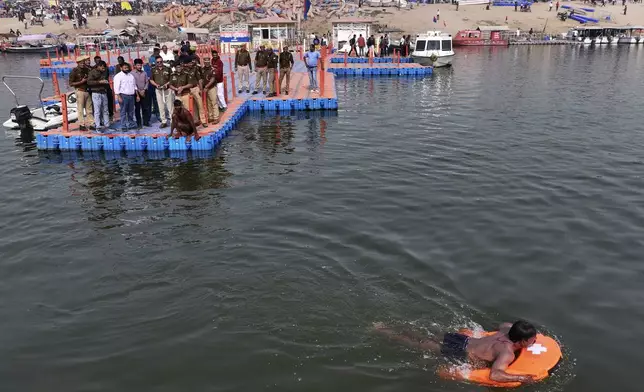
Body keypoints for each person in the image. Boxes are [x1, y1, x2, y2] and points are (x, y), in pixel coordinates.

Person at [374, 320, 538, 384]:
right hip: (458, 351)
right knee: (416, 344)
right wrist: (522, 377)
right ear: (523, 341)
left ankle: (386, 326)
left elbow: (504, 323)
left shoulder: (506, 329)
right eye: (533, 340)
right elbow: (494, 375)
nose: (534, 341)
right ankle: (382, 331)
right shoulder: (507, 353)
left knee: (422, 337)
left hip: (462, 339)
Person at [68, 55, 94, 131]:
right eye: (81, 63)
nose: (82, 64)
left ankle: (91, 123)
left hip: (87, 90)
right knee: (80, 109)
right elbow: (71, 83)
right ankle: (82, 124)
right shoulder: (74, 71)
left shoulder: (87, 70)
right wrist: (81, 82)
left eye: (83, 62)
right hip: (80, 91)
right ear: (78, 63)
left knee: (89, 109)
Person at [113, 62, 139, 131]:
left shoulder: (131, 76)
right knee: (123, 111)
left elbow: (135, 86)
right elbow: (116, 88)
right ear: (121, 68)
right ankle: (123, 125)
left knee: (131, 111)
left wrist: (137, 96)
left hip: (131, 96)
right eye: (125, 68)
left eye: (127, 68)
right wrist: (119, 97)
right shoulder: (118, 76)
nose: (126, 69)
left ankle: (131, 124)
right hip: (123, 96)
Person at [150, 55, 173, 128]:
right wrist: (156, 85)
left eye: (161, 61)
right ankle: (164, 121)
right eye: (158, 62)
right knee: (161, 106)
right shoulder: (153, 70)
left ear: (162, 61)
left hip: (167, 89)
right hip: (158, 90)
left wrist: (167, 84)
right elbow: (151, 79)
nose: (159, 63)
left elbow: (172, 78)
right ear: (156, 62)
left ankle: (173, 121)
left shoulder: (168, 69)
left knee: (170, 106)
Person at [87, 61, 110, 131]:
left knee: (105, 109)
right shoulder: (92, 72)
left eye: (104, 67)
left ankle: (107, 125)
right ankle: (98, 126)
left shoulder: (105, 71)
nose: (104, 69)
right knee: (97, 110)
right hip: (96, 92)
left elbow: (106, 79)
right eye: (102, 67)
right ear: (98, 66)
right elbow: (89, 82)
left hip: (104, 92)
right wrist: (99, 82)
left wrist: (106, 83)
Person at [132, 58, 150, 128]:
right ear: (135, 66)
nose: (139, 67)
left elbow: (147, 82)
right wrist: (139, 92)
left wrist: (144, 90)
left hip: (144, 92)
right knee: (137, 109)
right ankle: (139, 123)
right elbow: (133, 84)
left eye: (140, 65)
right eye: (138, 65)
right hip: (136, 93)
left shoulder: (144, 73)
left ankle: (146, 122)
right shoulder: (132, 74)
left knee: (145, 108)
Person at [202, 57, 219, 124]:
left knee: (214, 103)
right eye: (205, 61)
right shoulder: (202, 69)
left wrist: (206, 87)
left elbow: (213, 79)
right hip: (205, 89)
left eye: (208, 61)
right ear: (203, 62)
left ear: (209, 61)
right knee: (208, 103)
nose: (206, 63)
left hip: (211, 88)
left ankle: (216, 118)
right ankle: (211, 117)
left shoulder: (213, 69)